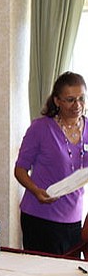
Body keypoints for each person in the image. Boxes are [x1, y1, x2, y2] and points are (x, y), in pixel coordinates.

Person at [15, 71, 87, 255]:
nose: (77, 105)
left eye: (81, 98)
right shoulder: (40, 128)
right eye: (70, 99)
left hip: (73, 218)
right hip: (40, 216)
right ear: (57, 101)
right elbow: (20, 170)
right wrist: (36, 190)